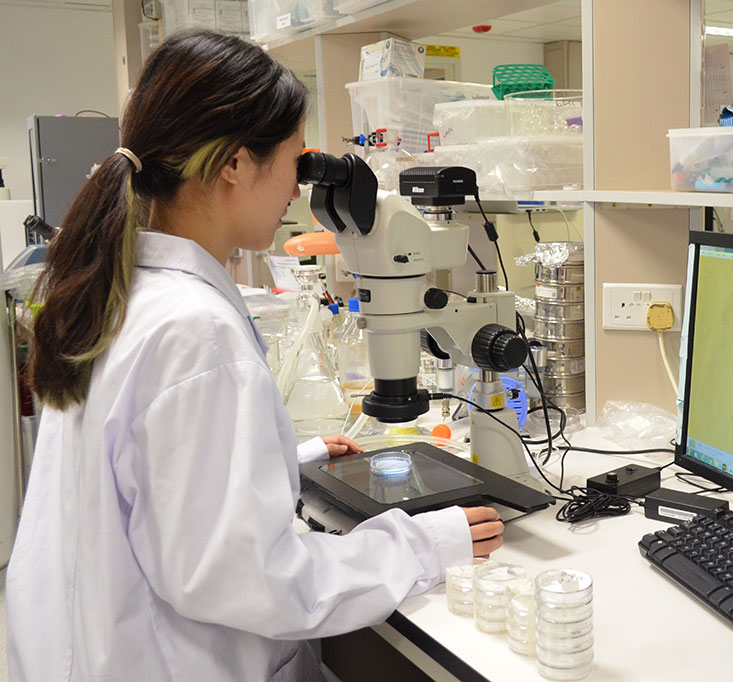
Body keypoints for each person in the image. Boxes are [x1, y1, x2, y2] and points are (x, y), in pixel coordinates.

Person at [6, 29, 503, 682]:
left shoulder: (126, 290)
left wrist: (284, 459)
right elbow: (255, 581)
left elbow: (143, 476)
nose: (299, 189)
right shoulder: (195, 331)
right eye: (295, 162)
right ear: (236, 165)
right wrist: (425, 544)